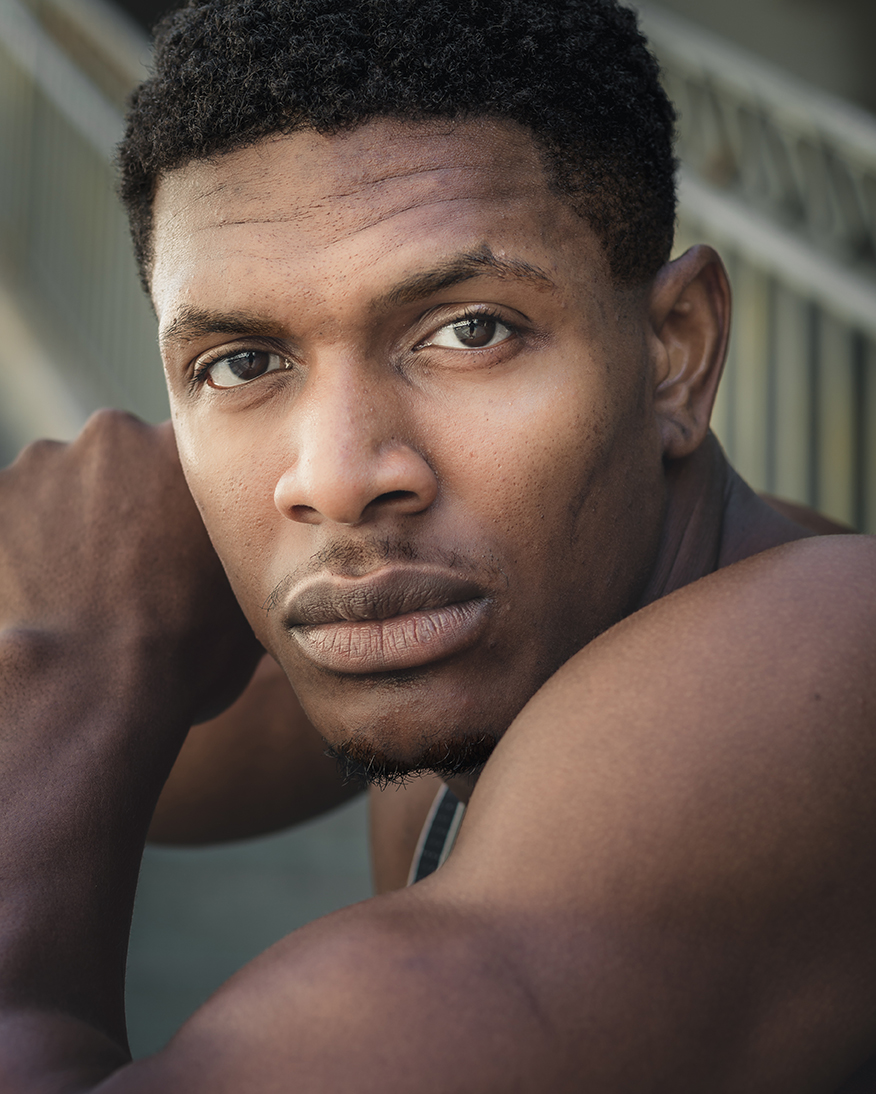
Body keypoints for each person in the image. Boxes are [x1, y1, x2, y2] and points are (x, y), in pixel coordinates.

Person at [0, 0, 874, 1089]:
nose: (336, 478)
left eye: (470, 330)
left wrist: (64, 656)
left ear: (675, 353)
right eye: (242, 362)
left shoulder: (822, 668)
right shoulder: (467, 618)